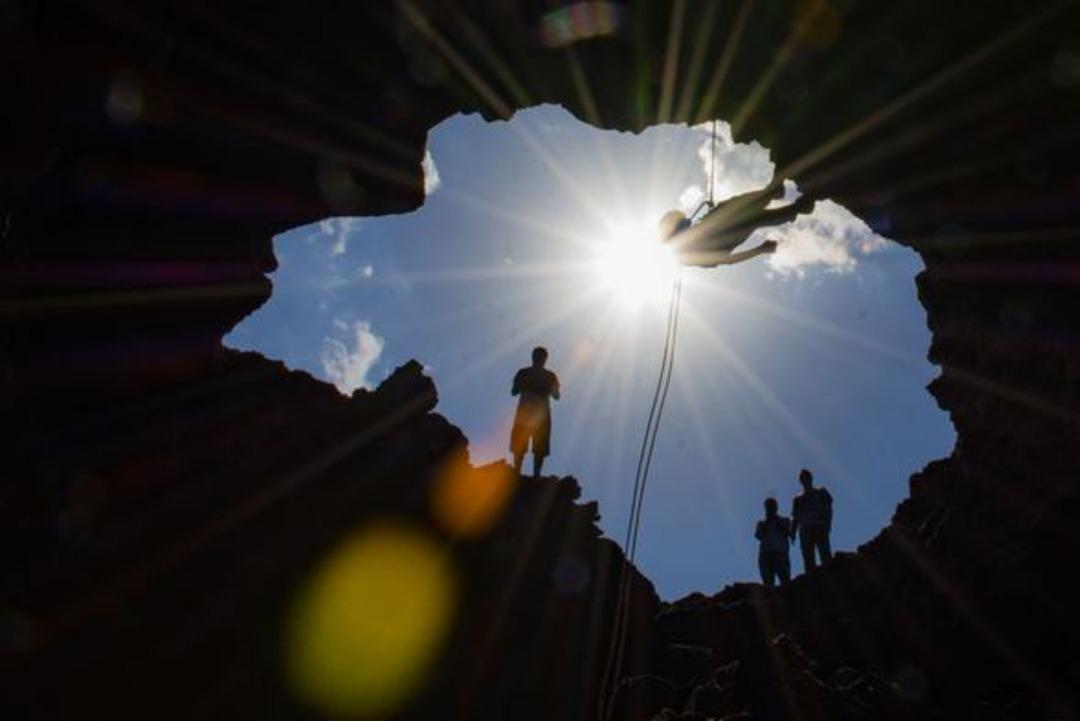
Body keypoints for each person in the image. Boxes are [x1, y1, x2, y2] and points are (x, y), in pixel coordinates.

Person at [659, 183, 814, 267]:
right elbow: (728, 260)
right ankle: (794, 206)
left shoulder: (689, 236)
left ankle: (773, 194)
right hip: (727, 233)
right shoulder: (685, 255)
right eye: (681, 222)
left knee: (736, 207)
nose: (686, 221)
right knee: (753, 218)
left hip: (723, 221)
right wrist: (760, 250)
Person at [509, 346, 561, 477]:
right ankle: (531, 474)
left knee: (535, 444)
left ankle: (525, 473)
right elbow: (557, 395)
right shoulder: (549, 375)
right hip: (537, 411)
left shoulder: (525, 372)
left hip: (530, 410)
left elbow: (514, 391)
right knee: (535, 444)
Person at [791, 468, 833, 572]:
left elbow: (829, 508)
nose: (805, 480)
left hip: (819, 526)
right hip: (805, 529)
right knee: (808, 559)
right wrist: (793, 532)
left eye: (807, 477)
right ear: (801, 481)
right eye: (803, 478)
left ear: (811, 478)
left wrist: (828, 523)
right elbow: (795, 517)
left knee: (825, 554)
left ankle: (831, 576)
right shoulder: (798, 499)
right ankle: (812, 583)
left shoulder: (821, 492)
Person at [754, 497, 793, 587]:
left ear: (776, 507)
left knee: (785, 582)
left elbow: (789, 533)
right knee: (768, 585)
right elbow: (758, 535)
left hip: (781, 553)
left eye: (772, 506)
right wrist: (767, 521)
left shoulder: (785, 520)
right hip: (765, 554)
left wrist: (776, 520)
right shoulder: (761, 523)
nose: (770, 508)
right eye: (768, 506)